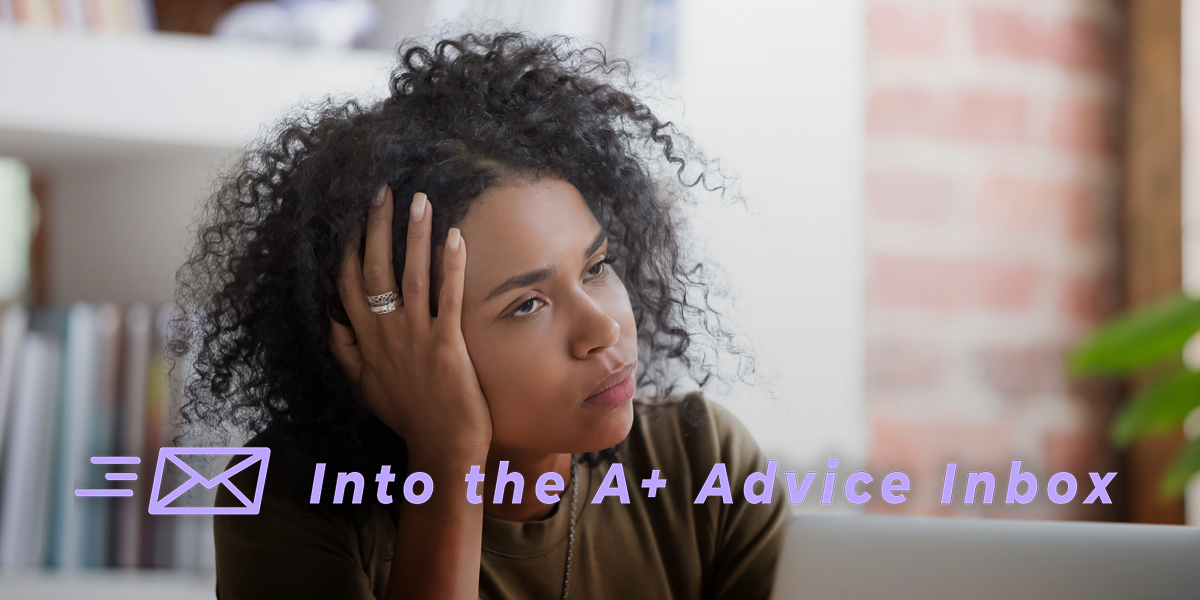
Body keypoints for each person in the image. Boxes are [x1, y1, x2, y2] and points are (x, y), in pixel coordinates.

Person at [172, 31, 790, 600]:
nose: (602, 329)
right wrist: (448, 451)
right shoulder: (291, 499)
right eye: (527, 304)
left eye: (595, 267)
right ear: (392, 336)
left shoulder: (701, 462)